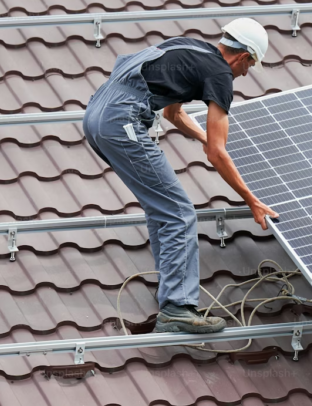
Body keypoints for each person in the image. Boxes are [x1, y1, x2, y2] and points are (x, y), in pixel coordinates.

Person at [82, 19, 279, 333]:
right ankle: (177, 308)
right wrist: (251, 200)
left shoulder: (189, 48)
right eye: (250, 66)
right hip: (122, 121)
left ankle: (170, 290)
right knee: (180, 213)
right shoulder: (220, 73)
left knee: (161, 207)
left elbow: (174, 114)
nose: (246, 73)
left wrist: (203, 138)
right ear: (242, 57)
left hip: (97, 116)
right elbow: (217, 152)